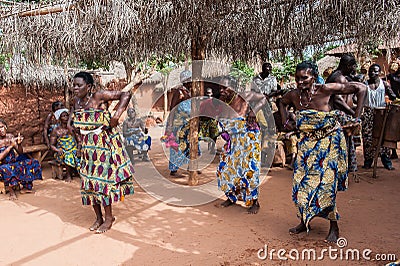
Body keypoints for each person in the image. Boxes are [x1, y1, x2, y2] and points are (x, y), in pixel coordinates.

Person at [279, 61, 366, 243]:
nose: (300, 82)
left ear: (314, 77)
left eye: (304, 78)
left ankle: (334, 226)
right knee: (301, 184)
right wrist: (286, 122)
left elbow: (361, 88)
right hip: (307, 146)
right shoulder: (295, 95)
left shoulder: (325, 89)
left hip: (329, 143)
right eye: (297, 78)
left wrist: (357, 118)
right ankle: (305, 221)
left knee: (326, 185)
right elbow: (282, 102)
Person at [70, 71, 134, 234]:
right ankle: (98, 218)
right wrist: (79, 144)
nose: (75, 88)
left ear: (89, 86)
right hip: (87, 149)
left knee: (102, 183)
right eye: (74, 85)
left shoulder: (98, 96)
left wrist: (116, 116)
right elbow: (76, 125)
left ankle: (108, 218)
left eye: (79, 85)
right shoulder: (76, 102)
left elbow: (125, 94)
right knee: (88, 183)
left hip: (104, 146)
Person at [217, 75, 268, 214]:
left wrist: (254, 111)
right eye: (220, 88)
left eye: (225, 88)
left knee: (249, 170)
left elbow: (263, 98)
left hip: (249, 138)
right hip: (233, 140)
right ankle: (231, 196)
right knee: (226, 168)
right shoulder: (222, 100)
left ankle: (255, 202)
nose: (221, 90)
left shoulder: (244, 96)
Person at [326, 55, 361, 175]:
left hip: (340, 115)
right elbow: (338, 100)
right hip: (339, 116)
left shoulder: (337, 76)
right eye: (352, 66)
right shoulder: (338, 78)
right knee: (342, 144)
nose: (353, 68)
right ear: (347, 66)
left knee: (343, 143)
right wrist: (353, 113)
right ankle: (339, 172)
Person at [361, 64, 397, 170]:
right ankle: (368, 161)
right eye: (371, 71)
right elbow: (356, 98)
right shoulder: (364, 84)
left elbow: (393, 96)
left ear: (379, 72)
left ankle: (386, 161)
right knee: (368, 138)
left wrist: (389, 101)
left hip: (381, 114)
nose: (372, 73)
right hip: (368, 114)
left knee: (382, 137)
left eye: (375, 71)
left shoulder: (384, 84)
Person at [0, 119, 42, 200]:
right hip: (2, 165)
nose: (0, 129)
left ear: (6, 127)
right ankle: (11, 192)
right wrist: (11, 146)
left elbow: (20, 152)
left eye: (2, 127)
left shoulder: (10, 137)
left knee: (32, 162)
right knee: (6, 168)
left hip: (13, 162)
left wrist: (19, 144)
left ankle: (26, 187)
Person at [163, 71, 193, 176]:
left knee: (190, 144)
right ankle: (174, 169)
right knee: (176, 146)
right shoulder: (179, 92)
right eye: (188, 79)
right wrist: (170, 126)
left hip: (188, 124)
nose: (190, 81)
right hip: (178, 124)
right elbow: (172, 109)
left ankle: (191, 166)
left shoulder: (191, 92)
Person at [49, 108, 81, 182]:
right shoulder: (56, 130)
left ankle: (79, 173)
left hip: (73, 149)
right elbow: (52, 145)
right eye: (63, 116)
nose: (66, 117)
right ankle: (68, 175)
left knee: (77, 154)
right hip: (61, 151)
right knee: (67, 155)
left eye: (67, 115)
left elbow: (79, 141)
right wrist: (57, 150)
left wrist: (79, 149)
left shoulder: (72, 128)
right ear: (59, 118)